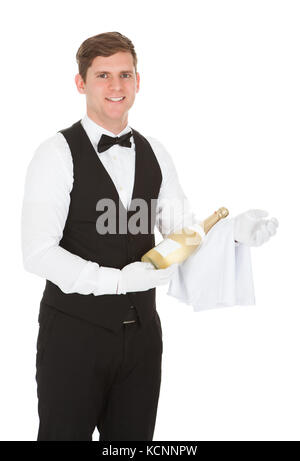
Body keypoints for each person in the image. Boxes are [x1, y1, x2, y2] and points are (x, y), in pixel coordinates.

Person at [21, 31, 278, 441]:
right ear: (80, 83)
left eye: (124, 74)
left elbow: (180, 235)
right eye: (102, 75)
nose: (116, 86)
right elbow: (38, 253)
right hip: (73, 335)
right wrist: (119, 280)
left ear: (138, 81)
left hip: (142, 338)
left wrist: (231, 234)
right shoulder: (55, 154)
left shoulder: (156, 152)